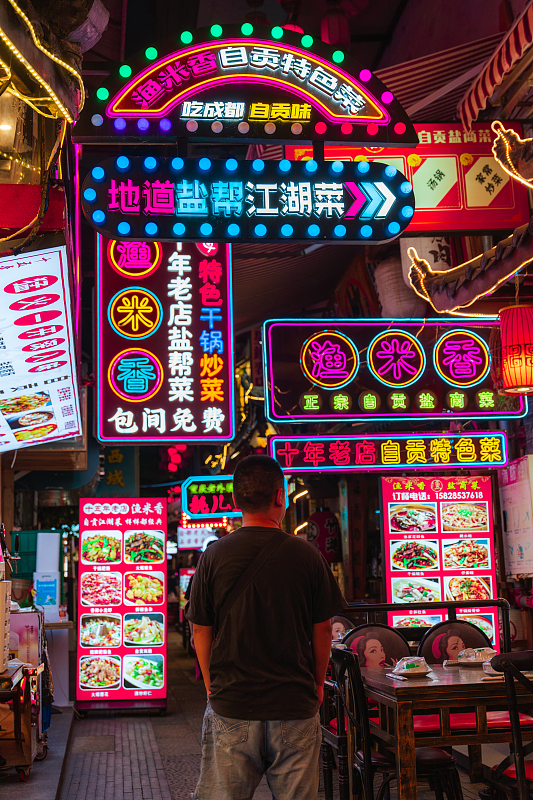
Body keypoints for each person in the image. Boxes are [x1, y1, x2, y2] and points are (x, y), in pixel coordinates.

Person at [187, 455, 346, 800]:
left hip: (232, 703)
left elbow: (201, 629)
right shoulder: (306, 555)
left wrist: (212, 685)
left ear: (235, 501)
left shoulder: (213, 556)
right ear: (280, 497)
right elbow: (322, 631)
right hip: (293, 703)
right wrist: (318, 685)